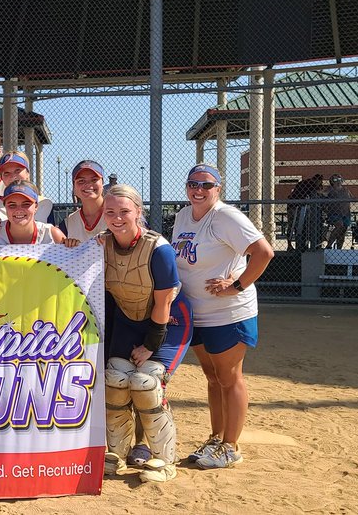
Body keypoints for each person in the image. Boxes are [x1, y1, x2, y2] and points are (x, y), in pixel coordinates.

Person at [170, 164, 274, 470]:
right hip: (197, 312)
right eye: (193, 184)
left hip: (228, 313)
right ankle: (216, 438)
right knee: (212, 378)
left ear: (218, 189)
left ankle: (231, 446)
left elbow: (264, 252)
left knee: (230, 378)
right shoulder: (182, 216)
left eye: (206, 185)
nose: (198, 190)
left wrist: (237, 286)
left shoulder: (226, 216)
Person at [98, 184, 193, 483]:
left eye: (124, 211)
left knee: (145, 383)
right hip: (128, 319)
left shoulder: (158, 248)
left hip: (168, 322)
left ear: (138, 212)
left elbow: (164, 300)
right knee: (115, 380)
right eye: (110, 212)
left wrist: (151, 344)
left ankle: (165, 459)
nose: (117, 218)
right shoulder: (101, 245)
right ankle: (116, 454)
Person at [0, 181, 65, 248]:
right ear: (5, 207)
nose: (19, 210)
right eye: (12, 205)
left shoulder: (52, 234)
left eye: (26, 204)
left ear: (36, 207)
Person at [0, 152, 56, 229]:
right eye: (6, 173)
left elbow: (52, 239)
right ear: (1, 178)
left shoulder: (45, 203)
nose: (13, 176)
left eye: (17, 171)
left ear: (28, 173)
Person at [61, 160, 108, 244]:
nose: (88, 185)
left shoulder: (117, 215)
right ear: (74, 188)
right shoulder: (68, 224)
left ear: (102, 184)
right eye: (81, 181)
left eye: (94, 180)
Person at [324, 174, 353, 249]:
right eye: (335, 180)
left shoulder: (346, 190)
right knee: (339, 226)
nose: (338, 182)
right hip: (334, 213)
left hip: (346, 213)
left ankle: (339, 248)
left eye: (339, 179)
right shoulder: (330, 189)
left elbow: (352, 198)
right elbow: (323, 194)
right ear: (332, 182)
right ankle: (329, 245)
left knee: (343, 231)